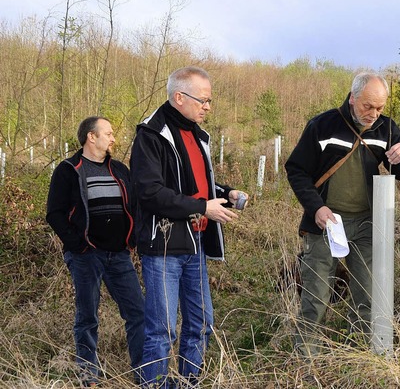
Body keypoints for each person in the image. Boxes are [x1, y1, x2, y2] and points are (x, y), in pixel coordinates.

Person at [285, 71, 400, 357]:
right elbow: (296, 170)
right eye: (367, 106)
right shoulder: (322, 126)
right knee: (316, 295)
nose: (374, 114)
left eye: (380, 108)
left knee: (369, 293)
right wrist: (316, 208)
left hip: (367, 223)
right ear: (352, 98)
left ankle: (358, 352)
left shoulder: (385, 129)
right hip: (326, 223)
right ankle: (307, 358)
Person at [130, 66, 249, 387]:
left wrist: (224, 193)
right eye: (204, 100)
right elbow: (150, 193)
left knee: (200, 324)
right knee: (162, 329)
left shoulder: (196, 135)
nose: (208, 107)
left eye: (210, 101)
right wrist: (203, 207)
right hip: (164, 247)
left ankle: (187, 383)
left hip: (195, 244)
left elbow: (195, 182)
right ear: (179, 97)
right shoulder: (151, 136)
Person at [46, 116, 145, 387]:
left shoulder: (120, 170)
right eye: (109, 133)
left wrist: (133, 239)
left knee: (139, 315)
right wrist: (78, 245)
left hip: (119, 255)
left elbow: (135, 206)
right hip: (86, 256)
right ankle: (88, 377)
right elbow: (54, 213)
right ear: (91, 137)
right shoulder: (69, 170)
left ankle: (144, 374)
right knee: (87, 317)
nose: (113, 138)